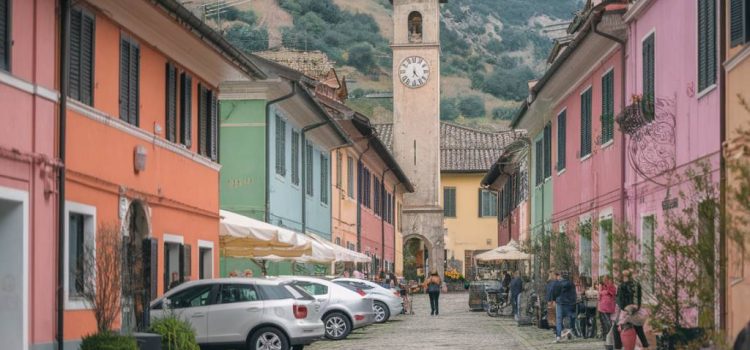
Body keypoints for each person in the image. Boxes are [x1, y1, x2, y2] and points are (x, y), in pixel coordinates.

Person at [614, 269, 648, 349]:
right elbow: (638, 298)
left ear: (624, 276)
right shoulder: (637, 284)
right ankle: (645, 345)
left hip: (626, 311)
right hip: (635, 310)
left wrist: (625, 308)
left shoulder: (621, 286)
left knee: (616, 328)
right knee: (638, 327)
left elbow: (619, 300)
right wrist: (636, 307)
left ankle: (618, 347)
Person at [552, 271, 577, 343]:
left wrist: (554, 300)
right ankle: (570, 330)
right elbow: (574, 294)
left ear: (561, 276)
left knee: (559, 319)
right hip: (569, 303)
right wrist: (573, 301)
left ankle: (558, 336)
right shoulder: (571, 284)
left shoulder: (558, 284)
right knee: (570, 317)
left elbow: (555, 293)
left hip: (560, 302)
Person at [598, 275, 617, 341]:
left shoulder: (611, 286)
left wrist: (604, 292)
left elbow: (613, 293)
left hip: (606, 306)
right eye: (604, 280)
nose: (605, 281)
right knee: (605, 321)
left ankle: (608, 335)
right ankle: (606, 336)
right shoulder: (604, 286)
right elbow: (599, 295)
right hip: (604, 306)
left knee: (607, 321)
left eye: (606, 279)